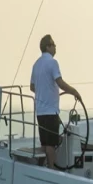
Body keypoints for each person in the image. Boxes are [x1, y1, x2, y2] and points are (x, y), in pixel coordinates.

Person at [29, 34, 81, 169]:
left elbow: (32, 87)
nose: (55, 47)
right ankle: (51, 168)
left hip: (40, 111)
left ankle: (43, 167)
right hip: (51, 111)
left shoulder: (36, 64)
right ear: (48, 46)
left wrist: (45, 91)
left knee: (44, 143)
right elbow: (60, 83)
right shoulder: (53, 62)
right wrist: (74, 92)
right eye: (54, 45)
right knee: (51, 143)